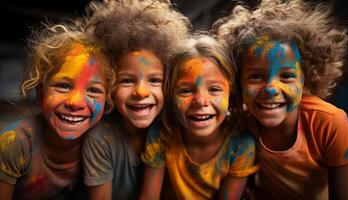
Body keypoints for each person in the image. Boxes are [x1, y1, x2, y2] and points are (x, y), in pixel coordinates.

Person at [215, 0, 348, 199]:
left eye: (286, 76)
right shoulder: (242, 122)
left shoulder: (331, 123)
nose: (271, 89)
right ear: (237, 79)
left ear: (308, 77)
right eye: (256, 76)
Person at [80, 0, 190, 199]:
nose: (140, 91)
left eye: (155, 80)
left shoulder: (173, 128)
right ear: (109, 83)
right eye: (127, 80)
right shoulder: (99, 139)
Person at [0, 21, 115, 199]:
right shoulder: (14, 142)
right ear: (40, 93)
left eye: (93, 90)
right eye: (63, 86)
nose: (75, 102)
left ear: (107, 101)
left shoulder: (103, 144)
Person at [140, 34, 259, 200]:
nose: (200, 101)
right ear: (170, 94)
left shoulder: (241, 144)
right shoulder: (162, 134)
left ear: (230, 93)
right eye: (186, 91)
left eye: (214, 90)